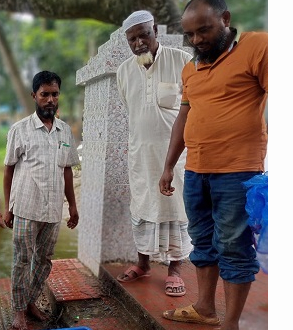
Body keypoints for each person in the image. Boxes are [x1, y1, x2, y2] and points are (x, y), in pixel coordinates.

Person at [159, 0, 267, 328]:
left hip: (239, 171)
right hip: (196, 170)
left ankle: (231, 323)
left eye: (204, 30)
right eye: (190, 34)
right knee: (202, 240)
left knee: (233, 246)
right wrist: (168, 166)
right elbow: (185, 115)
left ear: (225, 19)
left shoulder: (258, 46)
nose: (197, 40)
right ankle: (205, 308)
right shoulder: (191, 67)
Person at [115, 10, 193, 297]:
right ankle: (143, 264)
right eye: (132, 39)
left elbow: (191, 110)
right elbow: (133, 111)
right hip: (141, 158)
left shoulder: (182, 61)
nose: (139, 44)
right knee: (143, 209)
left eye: (143, 35)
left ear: (155, 31)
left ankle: (175, 270)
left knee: (176, 211)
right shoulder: (124, 72)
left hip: (177, 159)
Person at [2, 70, 80, 330]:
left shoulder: (64, 131)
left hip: (53, 209)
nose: (50, 99)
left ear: (59, 96)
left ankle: (29, 301)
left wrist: (73, 205)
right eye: (44, 94)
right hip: (25, 207)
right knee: (22, 260)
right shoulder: (20, 129)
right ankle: (17, 311)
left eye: (54, 94)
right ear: (34, 95)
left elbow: (67, 169)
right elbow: (9, 168)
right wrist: (8, 208)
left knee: (44, 260)